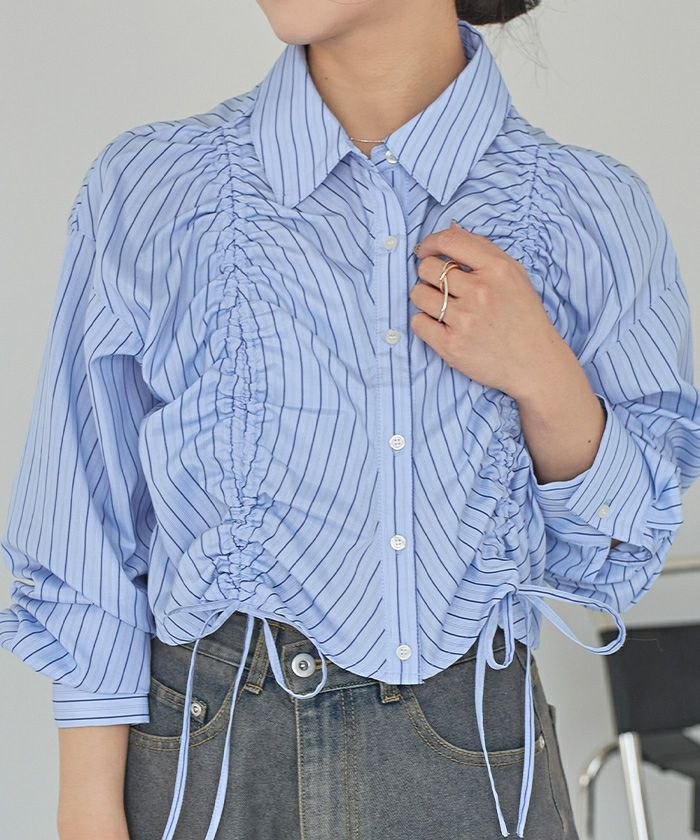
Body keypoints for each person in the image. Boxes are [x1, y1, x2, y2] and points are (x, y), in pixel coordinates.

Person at [2, 1, 699, 838]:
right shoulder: (154, 186)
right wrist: (86, 811)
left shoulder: (593, 210)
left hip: (473, 769)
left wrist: (544, 377)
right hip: (208, 765)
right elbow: (85, 527)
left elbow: (614, 560)